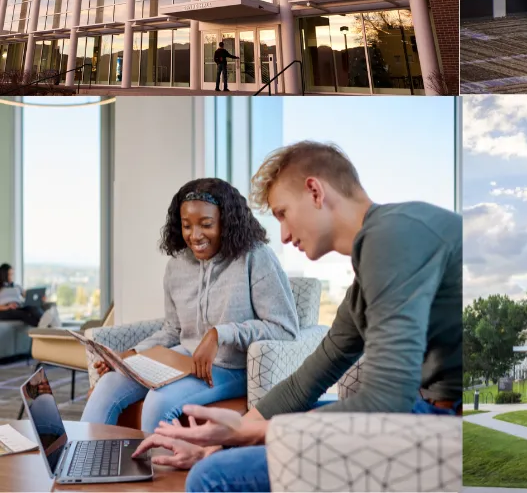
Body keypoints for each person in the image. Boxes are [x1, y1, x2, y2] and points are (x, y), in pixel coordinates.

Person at [132, 141, 462, 493]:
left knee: (210, 478)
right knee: (217, 460)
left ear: (315, 191)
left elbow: (386, 400)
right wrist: (222, 443)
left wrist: (252, 432)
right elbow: (312, 375)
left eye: (283, 213)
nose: (285, 236)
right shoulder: (375, 262)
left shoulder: (394, 236)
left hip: (445, 423)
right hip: (421, 410)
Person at [81, 178, 299, 434]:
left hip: (233, 368)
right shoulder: (177, 265)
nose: (195, 236)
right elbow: (173, 330)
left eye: (206, 224)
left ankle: (156, 472)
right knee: (109, 384)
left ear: (226, 223)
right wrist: (130, 355)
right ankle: (82, 466)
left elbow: (284, 329)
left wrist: (220, 334)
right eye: (187, 226)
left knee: (158, 401)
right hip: (182, 358)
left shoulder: (256, 257)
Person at [0, 263, 56, 328]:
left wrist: (40, 298)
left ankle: (49, 322)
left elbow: (28, 296)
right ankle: (46, 327)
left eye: (12, 274)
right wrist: (8, 307)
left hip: (18, 307)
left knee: (33, 307)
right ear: (3, 275)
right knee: (23, 314)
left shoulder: (16, 286)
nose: (11, 277)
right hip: (4, 310)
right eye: (9, 275)